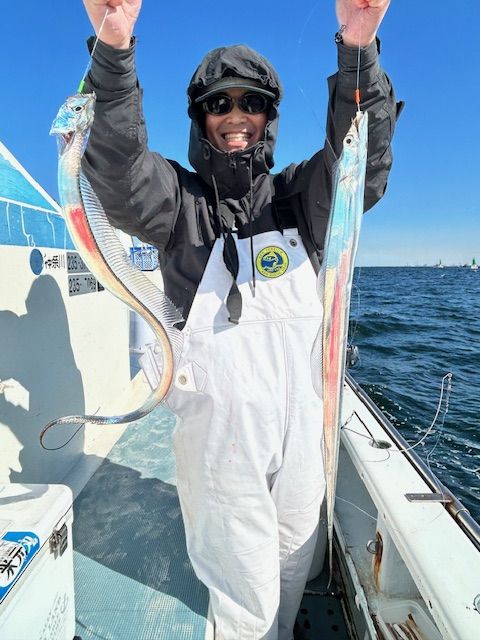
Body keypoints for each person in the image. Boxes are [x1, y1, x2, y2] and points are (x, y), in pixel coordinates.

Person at [81, 1, 401, 638]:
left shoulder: (300, 198)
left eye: (250, 103)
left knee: (294, 555)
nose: (235, 116)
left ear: (268, 117)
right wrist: (114, 53)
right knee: (244, 591)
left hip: (303, 420)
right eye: (218, 104)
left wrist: (358, 51)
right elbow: (117, 173)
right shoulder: (176, 201)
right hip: (220, 436)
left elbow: (359, 165)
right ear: (200, 119)